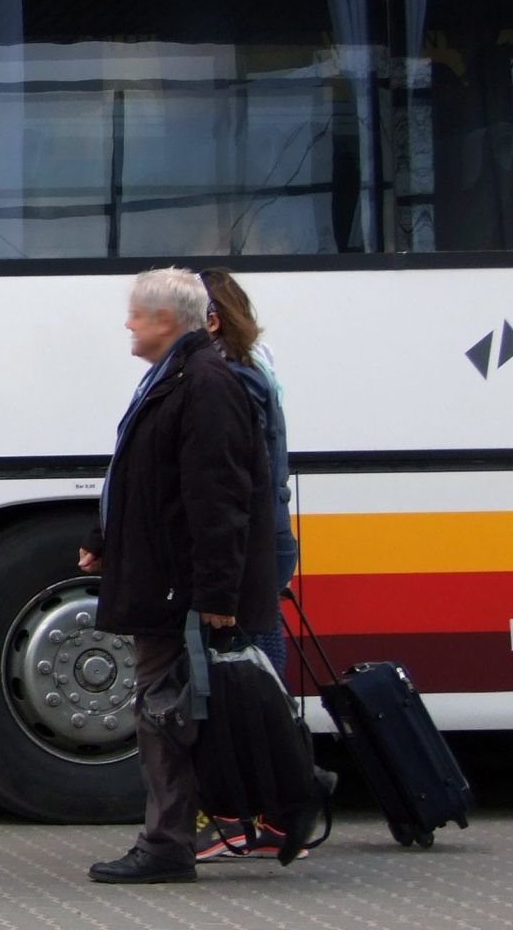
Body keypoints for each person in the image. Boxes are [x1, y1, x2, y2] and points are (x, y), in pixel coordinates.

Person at [81, 268, 277, 885]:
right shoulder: (174, 377)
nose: (128, 324)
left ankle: (167, 844)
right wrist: (104, 540)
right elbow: (143, 478)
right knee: (162, 707)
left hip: (177, 584)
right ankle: (171, 836)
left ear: (168, 320)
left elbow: (219, 497)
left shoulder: (207, 384)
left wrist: (216, 593)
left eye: (137, 314)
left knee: (164, 711)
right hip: (161, 575)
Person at [194, 267, 302, 863]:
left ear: (211, 318)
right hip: (261, 545)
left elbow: (234, 484)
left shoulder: (233, 381)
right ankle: (275, 815)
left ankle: (269, 814)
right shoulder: (252, 371)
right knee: (260, 681)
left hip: (249, 550)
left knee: (251, 687)